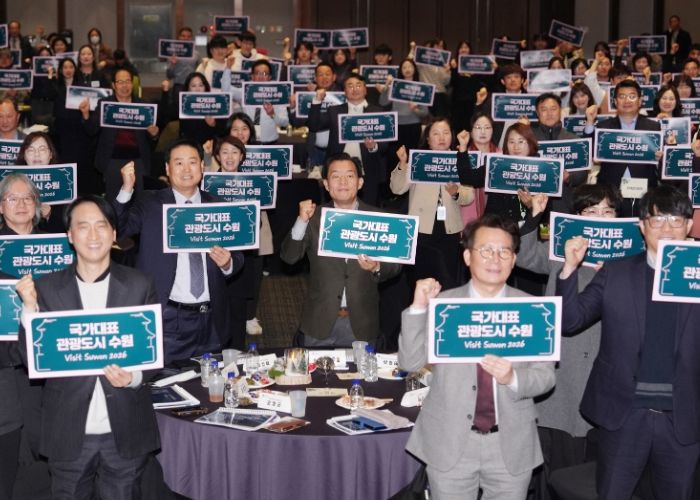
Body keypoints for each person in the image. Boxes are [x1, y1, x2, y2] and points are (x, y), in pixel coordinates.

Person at [556, 184, 700, 499]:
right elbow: (569, 322)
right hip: (624, 413)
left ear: (689, 225)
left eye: (675, 220)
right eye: (657, 220)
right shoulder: (616, 271)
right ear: (642, 226)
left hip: (684, 415)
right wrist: (569, 268)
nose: (666, 229)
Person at [398, 213, 555, 500]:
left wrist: (513, 377)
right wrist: (419, 307)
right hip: (450, 442)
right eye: (486, 250)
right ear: (468, 257)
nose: (495, 259)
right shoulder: (444, 306)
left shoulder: (534, 309)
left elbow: (546, 377)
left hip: (511, 444)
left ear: (514, 259)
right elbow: (409, 363)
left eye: (504, 251)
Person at [15, 195, 160, 499]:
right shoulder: (46, 288)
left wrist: (133, 377)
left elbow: (155, 350)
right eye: (83, 227)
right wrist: (29, 310)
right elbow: (31, 360)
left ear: (114, 233)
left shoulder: (140, 284)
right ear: (70, 235)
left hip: (125, 430)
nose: (93, 235)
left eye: (101, 226)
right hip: (68, 432)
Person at [518, 184, 622, 485]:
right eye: (591, 212)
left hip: (605, 366)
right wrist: (535, 215)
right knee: (561, 458)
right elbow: (523, 255)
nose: (600, 219)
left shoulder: (630, 260)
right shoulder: (561, 253)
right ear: (578, 217)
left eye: (608, 212)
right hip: (565, 369)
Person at [112, 139, 243, 363]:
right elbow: (118, 229)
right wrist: (126, 189)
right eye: (179, 163)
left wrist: (228, 263)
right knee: (166, 380)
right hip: (168, 316)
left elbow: (239, 255)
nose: (186, 169)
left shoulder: (220, 205)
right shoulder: (150, 203)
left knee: (211, 379)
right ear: (167, 169)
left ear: (202, 166)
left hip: (212, 317)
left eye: (192, 162)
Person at [280, 153, 401, 347]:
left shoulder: (379, 218)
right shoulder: (314, 217)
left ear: (360, 182)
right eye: (336, 176)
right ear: (326, 185)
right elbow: (289, 257)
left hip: (363, 323)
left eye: (350, 176)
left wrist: (376, 267)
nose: (343, 182)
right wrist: (301, 221)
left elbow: (395, 266)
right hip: (319, 321)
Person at [390, 118, 474, 289]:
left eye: (446, 133)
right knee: (421, 279)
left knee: (448, 280)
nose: (441, 137)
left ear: (452, 136)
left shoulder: (460, 159)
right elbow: (397, 189)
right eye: (436, 133)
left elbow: (469, 195)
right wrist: (403, 163)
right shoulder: (418, 160)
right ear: (428, 138)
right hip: (421, 228)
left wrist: (456, 193)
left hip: (450, 229)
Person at [212, 136, 273, 340]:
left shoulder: (253, 185)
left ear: (242, 156)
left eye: (234, 152)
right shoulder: (207, 183)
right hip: (213, 256)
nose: (229, 157)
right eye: (225, 152)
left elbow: (258, 224)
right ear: (217, 156)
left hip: (242, 256)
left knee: (238, 312)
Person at [584, 79, 662, 217]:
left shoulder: (653, 127)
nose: (627, 100)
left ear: (640, 101)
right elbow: (588, 151)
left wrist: (660, 157)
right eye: (622, 96)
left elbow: (662, 163)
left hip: (644, 190)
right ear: (615, 101)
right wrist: (590, 122)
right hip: (610, 190)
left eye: (632, 96)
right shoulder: (604, 127)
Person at [307, 73, 387, 206]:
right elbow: (313, 126)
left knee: (368, 208)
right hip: (338, 171)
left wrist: (373, 146)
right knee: (337, 207)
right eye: (350, 86)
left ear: (365, 89)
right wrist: (317, 101)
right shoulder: (334, 111)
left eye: (358, 85)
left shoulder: (378, 112)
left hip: (368, 169)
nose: (354, 89)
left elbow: (385, 144)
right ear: (345, 91)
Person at [82, 67, 159, 200]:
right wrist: (85, 114)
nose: (124, 85)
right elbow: (91, 130)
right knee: (114, 200)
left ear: (132, 84)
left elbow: (152, 140)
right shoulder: (105, 104)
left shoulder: (144, 106)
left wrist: (154, 134)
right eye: (120, 82)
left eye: (128, 81)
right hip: (112, 160)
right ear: (113, 85)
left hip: (138, 160)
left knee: (139, 200)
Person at [377, 59, 429, 156]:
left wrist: (414, 109)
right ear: (401, 70)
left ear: (414, 69)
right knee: (395, 156)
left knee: (410, 155)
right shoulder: (396, 86)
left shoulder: (420, 87)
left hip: (413, 126)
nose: (407, 69)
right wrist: (387, 85)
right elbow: (382, 102)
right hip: (396, 126)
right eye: (404, 67)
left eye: (410, 67)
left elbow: (425, 112)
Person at [230, 60, 289, 144]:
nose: (261, 76)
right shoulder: (245, 92)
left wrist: (272, 114)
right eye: (257, 73)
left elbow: (285, 122)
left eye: (265, 73)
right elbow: (226, 89)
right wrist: (228, 68)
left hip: (270, 142)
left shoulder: (278, 94)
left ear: (270, 77)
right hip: (248, 141)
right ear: (252, 76)